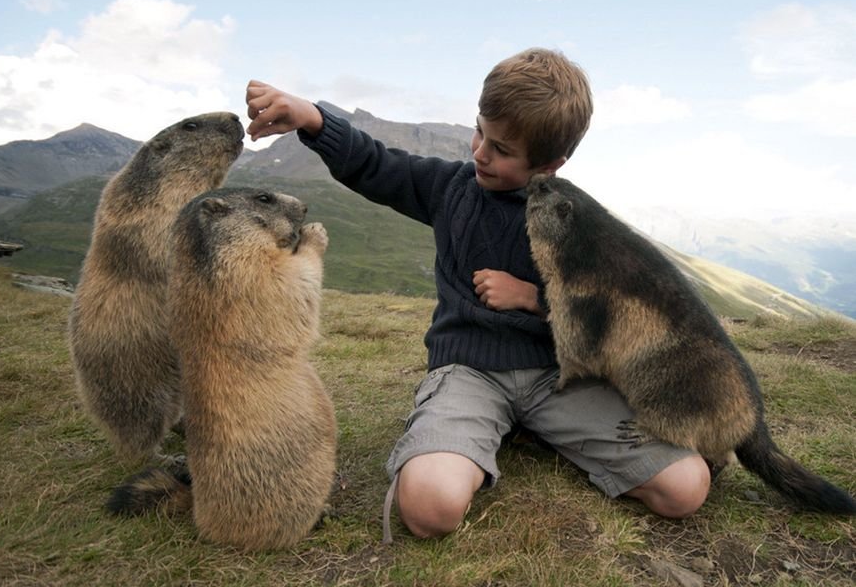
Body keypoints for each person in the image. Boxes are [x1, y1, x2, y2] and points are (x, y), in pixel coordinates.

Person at [244, 48, 710, 539]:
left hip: (559, 379)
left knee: (684, 487)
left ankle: (532, 428)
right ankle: (477, 430)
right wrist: (313, 119)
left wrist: (534, 299)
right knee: (429, 509)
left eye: (503, 149)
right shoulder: (451, 188)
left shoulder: (579, 222)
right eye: (479, 131)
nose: (480, 152)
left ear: (551, 164)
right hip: (469, 373)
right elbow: (377, 165)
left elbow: (616, 314)